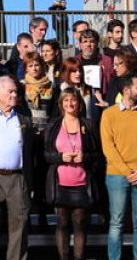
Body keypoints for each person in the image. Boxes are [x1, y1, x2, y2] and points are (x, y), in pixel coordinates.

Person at [100, 73, 137, 260]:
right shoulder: (109, 114)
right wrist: (127, 172)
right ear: (127, 90)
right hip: (117, 176)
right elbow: (108, 147)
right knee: (116, 222)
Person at [0, 76, 35, 260]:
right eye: (10, 91)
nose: (14, 94)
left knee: (19, 229)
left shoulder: (24, 115)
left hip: (18, 178)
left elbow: (30, 149)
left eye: (15, 91)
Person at [44, 88, 102, 260]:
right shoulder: (53, 125)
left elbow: (99, 154)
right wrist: (61, 157)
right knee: (62, 223)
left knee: (80, 224)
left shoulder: (89, 125)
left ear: (79, 103)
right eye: (66, 100)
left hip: (82, 183)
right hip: (60, 183)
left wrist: (85, 157)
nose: (70, 104)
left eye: (73, 100)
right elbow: (46, 155)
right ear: (61, 104)